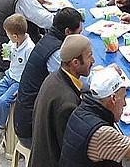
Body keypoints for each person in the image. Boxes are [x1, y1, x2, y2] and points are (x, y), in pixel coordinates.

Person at [26, 35, 94, 167]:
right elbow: (73, 152)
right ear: (75, 63)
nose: (92, 60)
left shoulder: (53, 79)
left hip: (41, 165)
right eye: (89, 57)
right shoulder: (67, 103)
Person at [14, 8, 83, 147]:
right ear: (68, 32)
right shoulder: (57, 54)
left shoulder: (48, 39)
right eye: (79, 34)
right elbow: (78, 83)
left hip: (28, 116)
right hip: (32, 129)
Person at [0, 14, 34, 146]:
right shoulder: (13, 44)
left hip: (18, 82)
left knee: (3, 101)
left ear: (15, 36)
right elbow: (11, 59)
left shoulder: (29, 49)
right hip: (9, 77)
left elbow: (30, 71)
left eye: (8, 34)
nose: (7, 36)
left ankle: (1, 128)